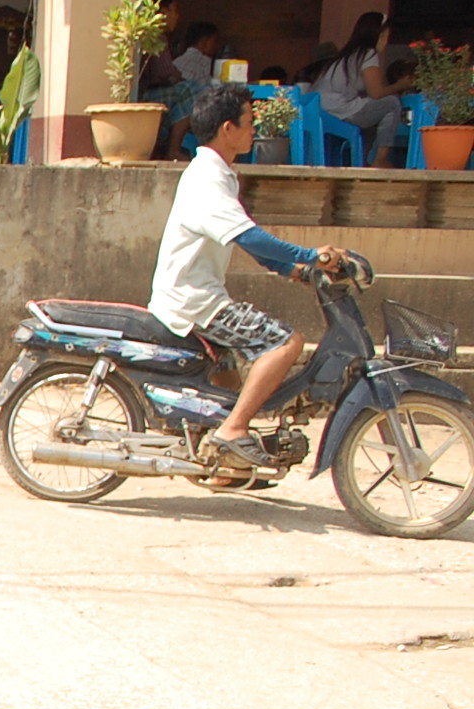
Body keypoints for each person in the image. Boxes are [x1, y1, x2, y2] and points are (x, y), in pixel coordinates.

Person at [148, 85, 347, 471]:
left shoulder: (217, 175)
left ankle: (223, 464)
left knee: (229, 384)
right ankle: (233, 430)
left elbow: (247, 239)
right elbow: (250, 236)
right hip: (195, 301)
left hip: (195, 295)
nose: (253, 130)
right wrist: (311, 256)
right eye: (249, 123)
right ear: (228, 129)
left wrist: (293, 269)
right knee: (286, 343)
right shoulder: (208, 179)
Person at [314, 11, 410, 164]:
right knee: (391, 103)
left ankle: (362, 161)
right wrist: (401, 85)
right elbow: (377, 93)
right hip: (339, 109)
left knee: (373, 115)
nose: (385, 42)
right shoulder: (368, 54)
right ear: (376, 35)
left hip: (321, 110)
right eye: (385, 36)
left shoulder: (345, 55)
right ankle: (381, 160)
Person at [174, 23, 222, 87]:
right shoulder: (208, 65)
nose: (217, 46)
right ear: (204, 42)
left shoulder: (175, 63)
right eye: (215, 41)